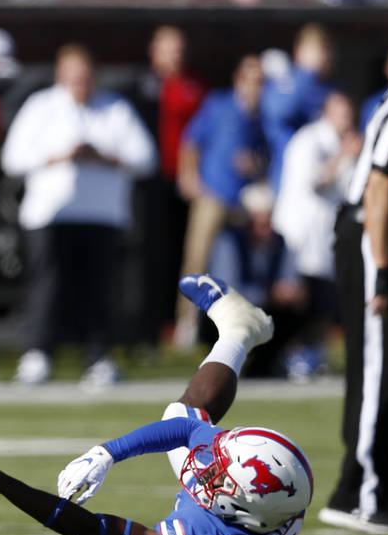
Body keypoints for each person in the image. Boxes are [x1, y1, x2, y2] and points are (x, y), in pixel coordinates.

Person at [0, 273, 314, 535]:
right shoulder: (283, 497)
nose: (209, 465)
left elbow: (95, 530)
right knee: (179, 414)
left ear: (243, 507)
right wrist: (106, 453)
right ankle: (239, 331)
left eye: (220, 473)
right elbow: (187, 427)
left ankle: (241, 332)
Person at [1, 42, 155, 387]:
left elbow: (146, 158)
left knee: (98, 288)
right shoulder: (40, 107)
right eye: (73, 76)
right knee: (47, 286)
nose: (79, 83)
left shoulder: (114, 107)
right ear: (60, 75)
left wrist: (103, 157)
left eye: (85, 76)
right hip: (48, 216)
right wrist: (58, 156)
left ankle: (98, 356)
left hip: (103, 215)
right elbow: (12, 159)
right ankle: (38, 355)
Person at [317, 84, 388, 534]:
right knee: (378, 366)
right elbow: (379, 189)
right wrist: (383, 271)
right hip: (372, 240)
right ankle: (361, 491)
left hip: (379, 237)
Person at [174, 54, 267, 348]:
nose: (256, 87)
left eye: (261, 82)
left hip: (242, 200)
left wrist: (254, 164)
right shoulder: (218, 105)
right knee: (198, 257)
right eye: (252, 80)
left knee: (240, 263)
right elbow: (191, 140)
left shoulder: (260, 117)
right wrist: (189, 176)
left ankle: (236, 324)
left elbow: (264, 158)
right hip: (213, 194)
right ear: (239, 79)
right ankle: (186, 323)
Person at [125, 25, 207, 347]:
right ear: (153, 50)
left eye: (180, 47)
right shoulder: (141, 85)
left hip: (188, 182)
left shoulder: (195, 86)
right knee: (149, 254)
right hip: (151, 181)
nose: (176, 54)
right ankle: (149, 326)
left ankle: (181, 325)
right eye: (169, 47)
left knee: (184, 253)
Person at [272, 91, 360, 380]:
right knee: (299, 300)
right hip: (299, 236)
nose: (346, 120)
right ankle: (288, 355)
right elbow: (313, 182)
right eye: (341, 114)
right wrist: (342, 157)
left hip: (325, 239)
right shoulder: (308, 141)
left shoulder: (346, 145)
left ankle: (312, 353)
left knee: (324, 300)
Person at [208, 183, 306, 378]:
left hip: (266, 311)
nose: (265, 227)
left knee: (297, 309)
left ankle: (265, 365)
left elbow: (289, 279)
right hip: (230, 314)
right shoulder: (229, 242)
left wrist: (293, 292)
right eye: (258, 220)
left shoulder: (279, 243)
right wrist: (268, 293)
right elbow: (225, 290)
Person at [260, 23, 335, 194]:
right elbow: (279, 111)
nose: (324, 55)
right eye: (318, 49)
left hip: (325, 180)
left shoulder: (332, 88)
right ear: (299, 51)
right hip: (288, 180)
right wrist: (307, 72)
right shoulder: (286, 81)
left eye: (326, 49)